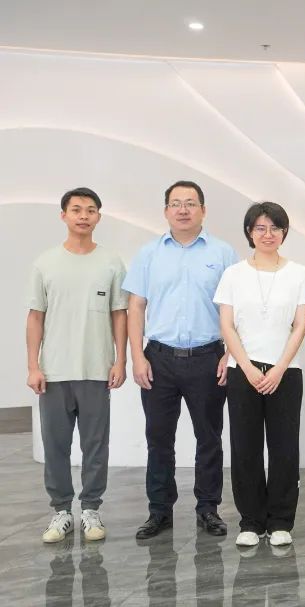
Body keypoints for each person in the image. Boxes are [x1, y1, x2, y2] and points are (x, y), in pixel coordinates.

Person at [124, 180, 238, 540]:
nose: (183, 209)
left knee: (209, 437)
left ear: (203, 210)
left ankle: (208, 508)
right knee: (159, 438)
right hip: (158, 359)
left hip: (208, 357)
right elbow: (135, 307)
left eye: (190, 203)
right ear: (166, 211)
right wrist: (136, 356)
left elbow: (236, 308)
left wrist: (230, 354)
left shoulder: (223, 253)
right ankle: (159, 511)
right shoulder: (148, 254)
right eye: (176, 203)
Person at [28, 187, 128, 543]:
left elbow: (120, 314)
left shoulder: (111, 262)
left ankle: (90, 509)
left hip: (96, 370)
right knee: (55, 445)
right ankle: (60, 511)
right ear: (64, 215)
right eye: (76, 209)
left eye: (90, 210)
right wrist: (33, 366)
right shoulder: (45, 263)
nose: (83, 215)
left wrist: (120, 360)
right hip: (54, 371)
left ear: (98, 216)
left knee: (95, 445)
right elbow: (35, 316)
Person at [214, 202, 305, 548]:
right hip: (242, 371)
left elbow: (300, 325)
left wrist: (279, 368)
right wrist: (245, 367)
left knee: (284, 447)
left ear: (284, 232)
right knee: (245, 448)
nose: (267, 234)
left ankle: (281, 522)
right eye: (260, 228)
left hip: (286, 372)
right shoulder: (233, 274)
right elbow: (227, 325)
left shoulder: (298, 273)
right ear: (249, 232)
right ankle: (251, 521)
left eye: (275, 228)